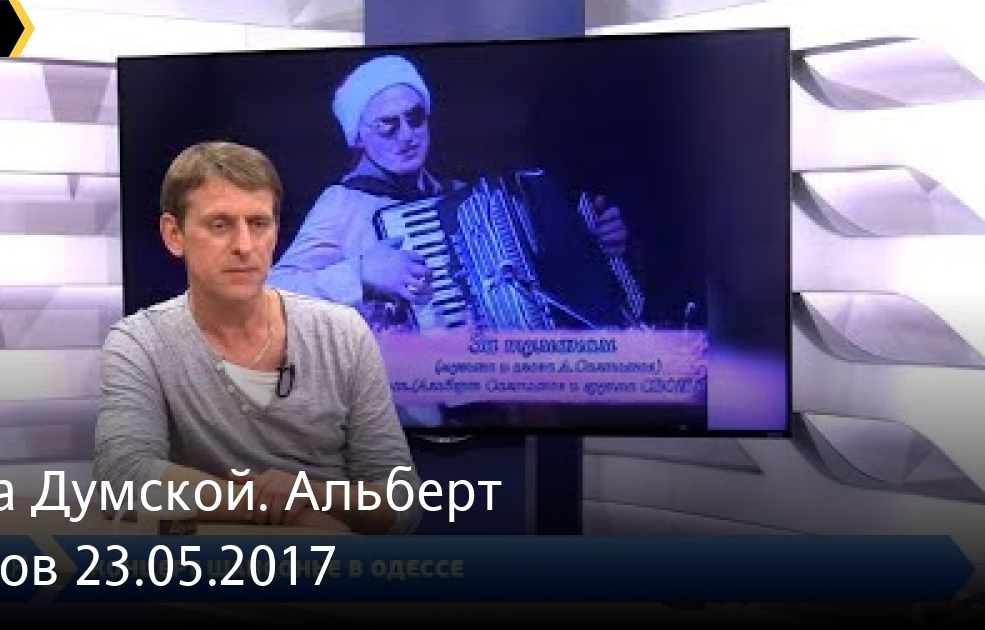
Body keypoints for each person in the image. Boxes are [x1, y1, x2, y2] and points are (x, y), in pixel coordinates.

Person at [94, 141, 422, 534]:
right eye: (219, 225)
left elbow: (401, 502)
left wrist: (308, 494)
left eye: (258, 224)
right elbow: (122, 479)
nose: (244, 246)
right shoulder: (139, 342)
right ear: (174, 234)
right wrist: (284, 513)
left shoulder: (343, 333)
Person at [267, 54, 630, 332]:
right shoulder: (341, 204)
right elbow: (270, 293)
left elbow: (537, 274)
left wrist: (589, 247)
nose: (407, 135)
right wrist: (361, 274)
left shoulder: (461, 197)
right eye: (388, 125)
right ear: (358, 137)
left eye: (415, 118)